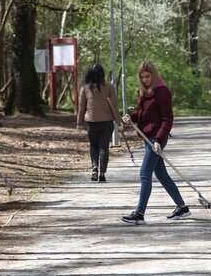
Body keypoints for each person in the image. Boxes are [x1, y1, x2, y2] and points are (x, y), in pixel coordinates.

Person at [120, 61, 189, 225]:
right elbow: (140, 113)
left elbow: (167, 119)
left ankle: (139, 213)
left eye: (148, 76)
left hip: (156, 137)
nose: (145, 79)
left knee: (145, 173)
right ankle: (182, 207)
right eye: (142, 77)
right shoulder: (143, 92)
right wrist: (131, 117)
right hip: (147, 136)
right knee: (161, 174)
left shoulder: (162, 92)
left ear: (154, 75)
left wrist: (158, 140)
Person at [77, 63, 117, 182]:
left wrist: (79, 123)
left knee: (93, 145)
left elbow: (81, 107)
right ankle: (102, 173)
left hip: (91, 121)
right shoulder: (109, 87)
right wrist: (119, 121)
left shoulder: (85, 88)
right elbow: (114, 106)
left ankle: (94, 167)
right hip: (107, 121)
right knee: (104, 147)